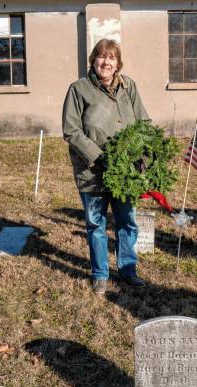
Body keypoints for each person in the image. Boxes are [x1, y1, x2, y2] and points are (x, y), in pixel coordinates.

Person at [62, 39, 149, 294]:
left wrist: (144, 151)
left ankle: (128, 269)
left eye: (111, 58)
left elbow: (143, 121)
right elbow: (71, 130)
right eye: (101, 57)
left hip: (125, 172)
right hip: (92, 171)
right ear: (93, 60)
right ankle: (100, 274)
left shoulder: (128, 86)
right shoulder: (79, 89)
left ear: (117, 63)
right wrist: (100, 157)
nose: (106, 62)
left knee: (127, 220)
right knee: (96, 224)